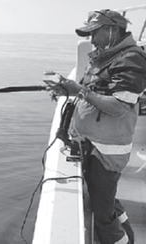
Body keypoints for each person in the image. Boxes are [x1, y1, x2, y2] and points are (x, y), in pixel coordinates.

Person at [48, 9, 146, 244]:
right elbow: (90, 93)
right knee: (106, 200)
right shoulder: (103, 56)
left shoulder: (131, 59)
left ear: (112, 30)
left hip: (106, 152)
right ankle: (129, 237)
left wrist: (79, 90)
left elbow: (119, 107)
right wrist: (65, 90)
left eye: (95, 34)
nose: (91, 40)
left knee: (103, 216)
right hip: (92, 146)